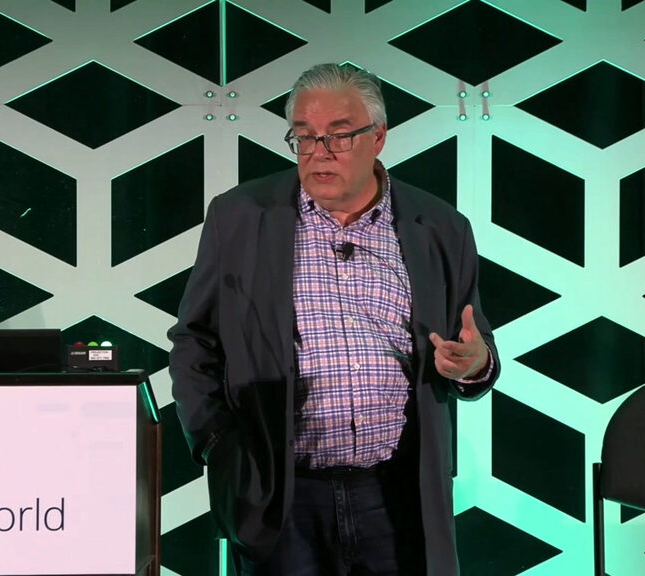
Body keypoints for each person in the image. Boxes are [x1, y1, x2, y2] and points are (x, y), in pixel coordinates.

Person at [168, 63, 500, 576]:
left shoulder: (439, 227)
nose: (319, 152)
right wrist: (216, 443)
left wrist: (474, 365)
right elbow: (194, 340)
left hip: (397, 495)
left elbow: (475, 347)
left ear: (378, 137)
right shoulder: (239, 217)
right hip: (279, 498)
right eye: (304, 137)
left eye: (339, 136)